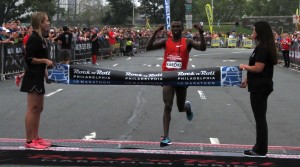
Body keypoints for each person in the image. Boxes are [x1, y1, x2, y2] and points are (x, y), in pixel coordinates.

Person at [146, 20, 206, 147]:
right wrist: (156, 32)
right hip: (167, 77)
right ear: (171, 29)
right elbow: (148, 47)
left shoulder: (187, 41)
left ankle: (187, 107)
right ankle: (166, 137)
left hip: (181, 77)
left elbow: (202, 48)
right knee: (168, 105)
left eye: (178, 26)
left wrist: (201, 32)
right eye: (173, 26)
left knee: (180, 108)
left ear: (182, 28)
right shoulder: (165, 41)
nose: (176, 28)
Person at [239, 21, 278, 157]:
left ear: (260, 32)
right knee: (260, 117)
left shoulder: (262, 48)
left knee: (260, 118)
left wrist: (244, 66)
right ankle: (260, 147)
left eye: (254, 31)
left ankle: (260, 149)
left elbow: (258, 68)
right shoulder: (262, 47)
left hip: (260, 87)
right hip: (259, 85)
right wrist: (246, 80)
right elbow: (255, 67)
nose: (252, 33)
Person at [20, 12, 54, 149]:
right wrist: (45, 60)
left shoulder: (42, 38)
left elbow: (41, 62)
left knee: (39, 108)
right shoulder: (33, 38)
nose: (48, 23)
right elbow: (29, 59)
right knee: (32, 108)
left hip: (39, 75)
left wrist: (47, 75)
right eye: (46, 21)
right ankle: (29, 140)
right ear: (40, 22)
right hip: (32, 76)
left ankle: (36, 137)